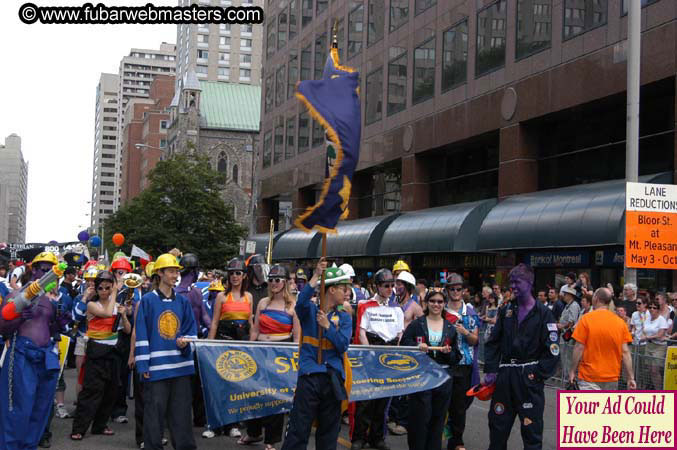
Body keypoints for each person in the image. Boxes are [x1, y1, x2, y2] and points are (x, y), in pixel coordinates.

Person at [484, 264, 559, 450]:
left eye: (517, 282)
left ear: (530, 282)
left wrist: (536, 374)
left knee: (532, 431)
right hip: (505, 378)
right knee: (497, 428)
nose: (513, 286)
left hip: (529, 380)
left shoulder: (544, 314)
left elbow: (553, 350)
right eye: (511, 282)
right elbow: (493, 342)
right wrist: (492, 370)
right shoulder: (506, 311)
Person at [0, 252, 70, 450]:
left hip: (46, 357)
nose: (45, 273)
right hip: (21, 356)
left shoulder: (52, 300)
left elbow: (52, 330)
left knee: (39, 412)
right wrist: (20, 316)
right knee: (17, 413)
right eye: (42, 268)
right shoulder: (15, 295)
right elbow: (2, 328)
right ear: (33, 270)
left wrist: (60, 322)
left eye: (50, 269)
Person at [281, 259, 352, 450]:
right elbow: (300, 303)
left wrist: (328, 327)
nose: (347, 292)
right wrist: (315, 276)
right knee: (299, 429)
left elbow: (343, 345)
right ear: (331, 290)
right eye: (343, 288)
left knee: (328, 434)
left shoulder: (344, 317)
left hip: (332, 379)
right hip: (310, 377)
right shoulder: (310, 311)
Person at [134, 253, 198, 450]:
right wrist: (143, 364)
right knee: (154, 414)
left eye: (177, 271)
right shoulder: (147, 301)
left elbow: (191, 331)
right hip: (157, 368)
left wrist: (186, 344)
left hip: (181, 368)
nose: (175, 275)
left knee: (181, 416)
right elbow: (142, 334)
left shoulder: (183, 301)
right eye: (171, 271)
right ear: (159, 273)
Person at [243, 265, 301, 449]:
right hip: (260, 351)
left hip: (280, 354)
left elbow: (298, 336)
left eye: (278, 279)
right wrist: (249, 350)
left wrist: (295, 359)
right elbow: (255, 329)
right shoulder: (262, 303)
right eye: (271, 279)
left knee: (275, 396)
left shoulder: (293, 305)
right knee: (254, 393)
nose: (274, 283)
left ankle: (271, 440)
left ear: (285, 282)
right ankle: (253, 433)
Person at [71, 270, 132, 440]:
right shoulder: (92, 305)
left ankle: (100, 425)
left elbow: (126, 330)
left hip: (113, 353)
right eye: (101, 288)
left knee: (111, 392)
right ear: (96, 290)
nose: (104, 291)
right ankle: (79, 428)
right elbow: (105, 313)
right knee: (91, 391)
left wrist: (123, 315)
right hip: (96, 352)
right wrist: (114, 293)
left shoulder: (116, 306)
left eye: (108, 287)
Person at [401, 290, 461, 450]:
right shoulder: (417, 324)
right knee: (420, 418)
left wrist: (449, 353)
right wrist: (416, 346)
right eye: (433, 301)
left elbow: (457, 356)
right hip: (421, 377)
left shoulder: (450, 328)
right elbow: (403, 344)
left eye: (440, 301)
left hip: (443, 378)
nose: (436, 304)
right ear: (427, 303)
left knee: (438, 419)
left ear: (444, 304)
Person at [353, 269, 405, 450]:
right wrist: (369, 352)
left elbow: (400, 332)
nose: (391, 289)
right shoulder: (365, 305)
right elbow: (361, 331)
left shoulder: (396, 309)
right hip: (370, 354)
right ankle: (359, 437)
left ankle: (377, 437)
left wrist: (393, 354)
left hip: (388, 354)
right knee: (365, 400)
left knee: (383, 401)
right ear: (377, 286)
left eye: (393, 285)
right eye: (386, 285)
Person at [207, 257, 253, 438]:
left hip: (241, 344)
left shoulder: (248, 297)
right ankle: (214, 425)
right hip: (222, 341)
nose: (234, 276)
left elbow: (251, 322)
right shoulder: (221, 296)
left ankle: (232, 424)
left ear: (243, 276)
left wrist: (252, 344)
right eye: (232, 273)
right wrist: (210, 346)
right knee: (218, 384)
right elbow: (214, 323)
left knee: (236, 384)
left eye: (238, 273)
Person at [568, 288, 636, 390]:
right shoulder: (620, 323)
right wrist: (631, 377)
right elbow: (625, 352)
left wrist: (572, 370)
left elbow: (579, 347)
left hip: (589, 376)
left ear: (596, 298)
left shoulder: (586, 319)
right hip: (612, 377)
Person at [443, 273, 479, 450]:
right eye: (452, 289)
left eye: (458, 289)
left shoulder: (470, 312)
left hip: (464, 365)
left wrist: (465, 332)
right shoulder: (441, 311)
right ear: (447, 290)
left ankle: (456, 440)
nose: (455, 292)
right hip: (444, 364)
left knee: (459, 406)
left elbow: (475, 340)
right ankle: (439, 435)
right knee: (441, 404)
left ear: (463, 290)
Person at [386, 270, 423, 437]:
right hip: (391, 350)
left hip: (407, 352)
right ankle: (391, 417)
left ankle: (403, 421)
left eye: (400, 284)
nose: (396, 287)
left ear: (408, 287)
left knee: (405, 389)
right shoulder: (391, 303)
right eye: (396, 284)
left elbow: (422, 329)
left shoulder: (415, 307)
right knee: (392, 386)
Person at [641, 298, 669, 389]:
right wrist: (644, 336)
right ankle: (654, 387)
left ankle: (660, 390)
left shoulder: (661, 320)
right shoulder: (647, 318)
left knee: (655, 370)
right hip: (649, 345)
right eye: (650, 307)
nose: (652, 309)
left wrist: (647, 337)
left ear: (658, 309)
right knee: (649, 369)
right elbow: (644, 329)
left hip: (659, 346)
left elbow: (660, 335)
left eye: (654, 307)